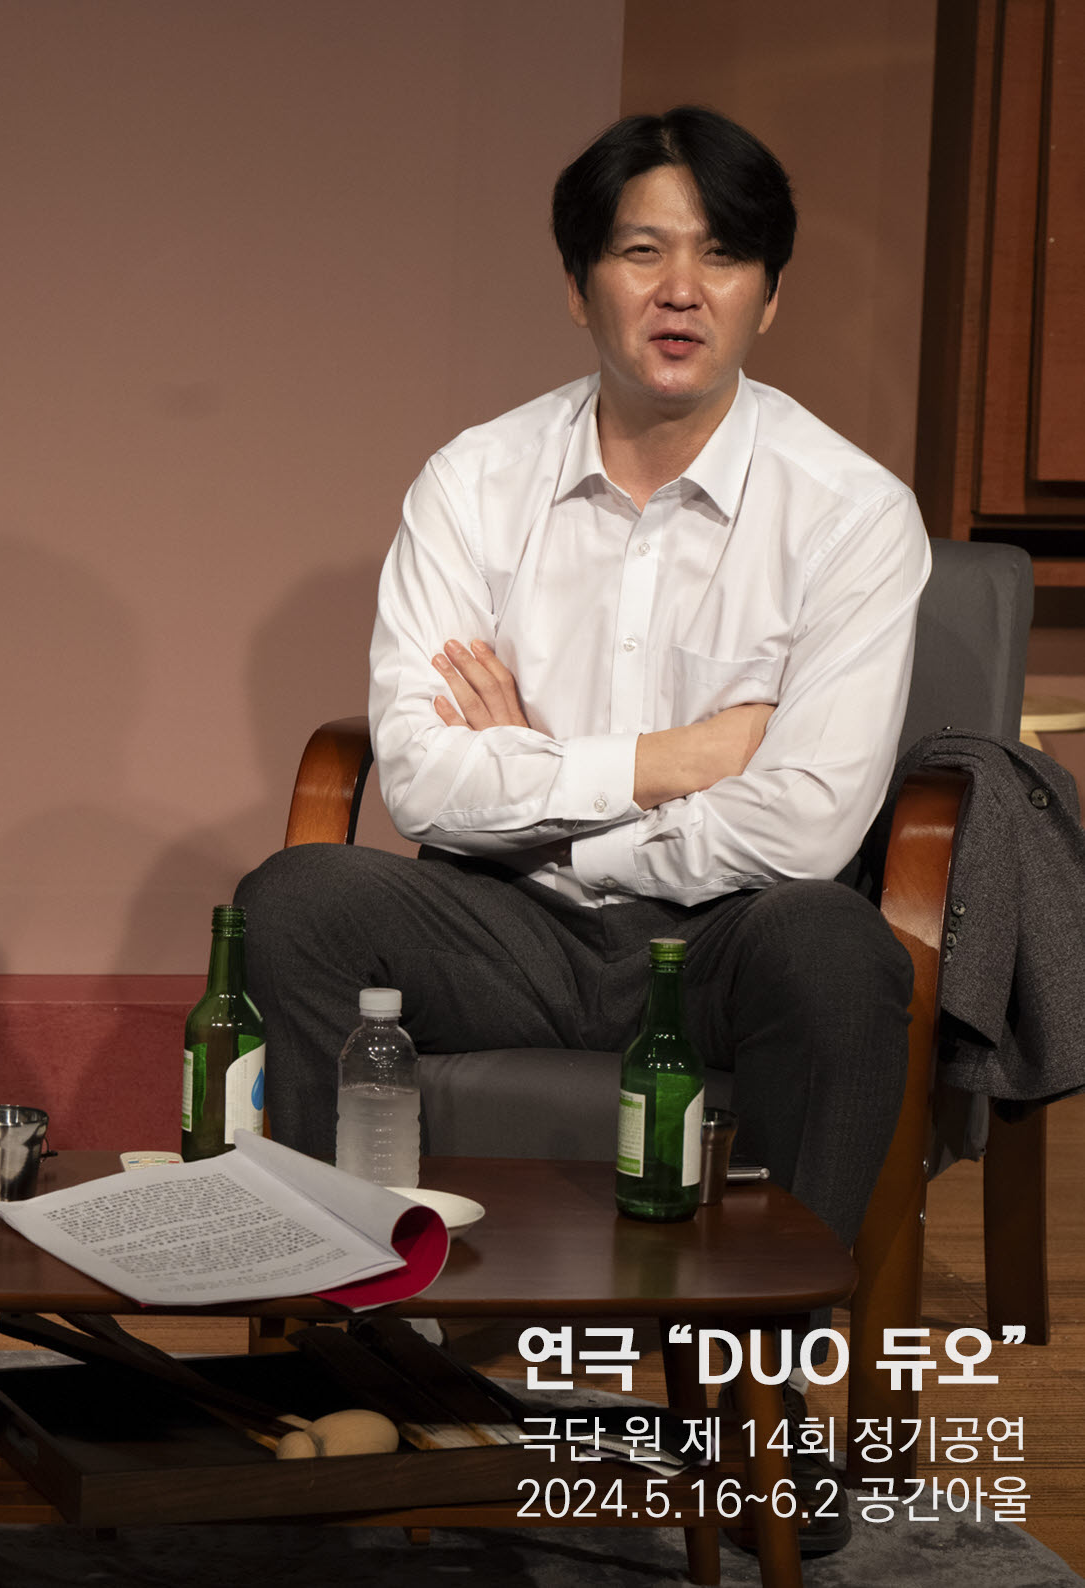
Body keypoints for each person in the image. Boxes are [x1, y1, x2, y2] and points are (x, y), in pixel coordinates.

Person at [236, 106, 927, 1555]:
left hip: (723, 941)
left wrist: (544, 785)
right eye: (640, 252)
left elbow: (806, 822)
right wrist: (672, 761)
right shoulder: (472, 483)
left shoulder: (852, 513)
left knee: (838, 946)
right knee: (300, 898)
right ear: (578, 285)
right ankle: (362, 1357)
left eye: (721, 256)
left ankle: (753, 1407)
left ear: (768, 296)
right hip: (503, 927)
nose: (681, 290)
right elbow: (424, 785)